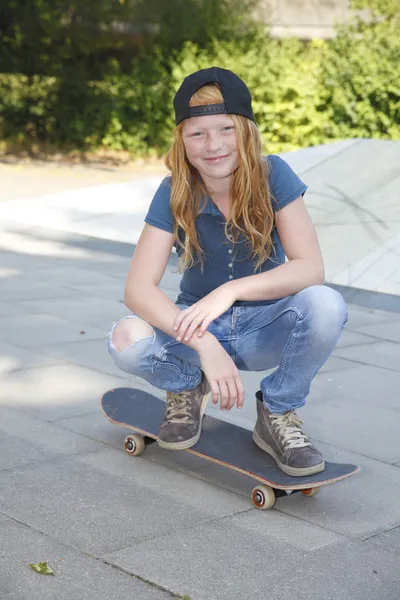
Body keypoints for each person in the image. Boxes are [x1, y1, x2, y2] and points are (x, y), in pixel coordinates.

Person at [107, 66, 347, 477]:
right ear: (181, 141)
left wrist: (231, 290)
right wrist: (204, 346)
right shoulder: (174, 190)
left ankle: (277, 412)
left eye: (225, 129)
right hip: (198, 328)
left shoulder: (274, 175)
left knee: (326, 304)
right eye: (197, 133)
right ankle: (186, 386)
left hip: (263, 328)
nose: (212, 145)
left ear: (246, 132)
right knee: (125, 337)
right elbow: (137, 289)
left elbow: (311, 268)